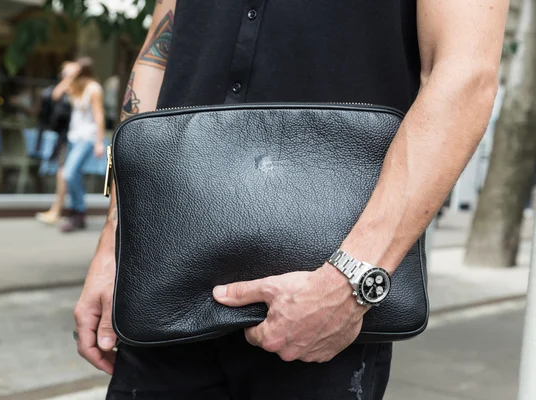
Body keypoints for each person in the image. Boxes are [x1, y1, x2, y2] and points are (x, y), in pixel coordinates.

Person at [73, 1, 510, 399]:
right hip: (166, 276)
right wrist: (117, 244)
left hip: (324, 290)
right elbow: (159, 54)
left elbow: (464, 75)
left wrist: (349, 281)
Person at [52, 57, 105, 233]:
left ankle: (78, 211)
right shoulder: (76, 87)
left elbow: (98, 115)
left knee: (69, 173)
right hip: (73, 137)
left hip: (87, 138)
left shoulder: (94, 88)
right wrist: (68, 77)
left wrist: (99, 141)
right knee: (73, 174)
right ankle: (77, 212)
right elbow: (56, 95)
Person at [35, 61, 75, 225]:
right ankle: (65, 210)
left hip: (80, 137)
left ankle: (67, 209)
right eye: (65, 74)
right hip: (67, 136)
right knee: (65, 171)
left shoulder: (86, 89)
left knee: (68, 172)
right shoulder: (64, 89)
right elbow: (55, 96)